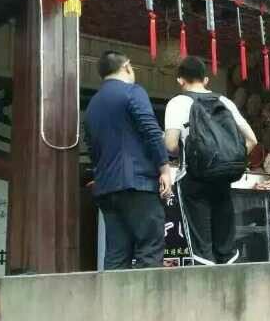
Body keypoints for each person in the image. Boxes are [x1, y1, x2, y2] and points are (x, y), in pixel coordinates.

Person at [164, 56, 257, 265]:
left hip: (193, 180)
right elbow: (252, 140)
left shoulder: (177, 103)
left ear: (180, 80)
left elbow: (170, 145)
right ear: (205, 79)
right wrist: (230, 159)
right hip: (222, 178)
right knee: (225, 245)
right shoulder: (225, 102)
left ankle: (205, 282)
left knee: (201, 246)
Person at [84, 50, 172, 270]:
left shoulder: (93, 104)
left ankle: (113, 294)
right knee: (149, 249)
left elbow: (91, 146)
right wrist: (164, 168)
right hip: (137, 184)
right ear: (127, 66)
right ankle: (147, 294)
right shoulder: (132, 91)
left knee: (116, 255)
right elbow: (151, 130)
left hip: (106, 188)